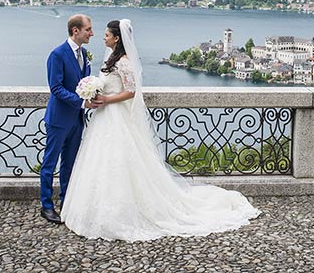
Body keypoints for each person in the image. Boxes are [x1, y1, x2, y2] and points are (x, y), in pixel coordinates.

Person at [61, 19, 260, 241]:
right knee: (101, 161)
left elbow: (131, 91)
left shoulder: (124, 62)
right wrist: (92, 90)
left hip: (116, 115)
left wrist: (107, 98)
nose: (102, 37)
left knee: (119, 161)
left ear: (117, 38)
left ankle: (124, 212)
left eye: (107, 34)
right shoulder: (110, 58)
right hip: (104, 117)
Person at [40, 14, 104, 224]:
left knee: (70, 163)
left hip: (77, 120)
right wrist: (82, 102)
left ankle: (66, 202)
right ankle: (46, 206)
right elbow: (56, 88)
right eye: (88, 29)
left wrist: (91, 96)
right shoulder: (57, 55)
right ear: (75, 31)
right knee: (50, 163)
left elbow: (83, 82)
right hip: (59, 119)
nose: (92, 33)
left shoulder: (85, 54)